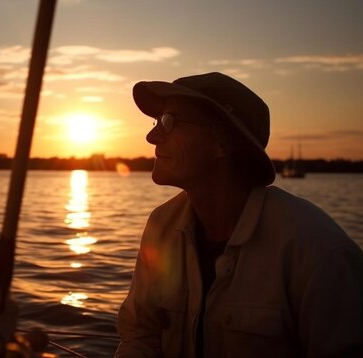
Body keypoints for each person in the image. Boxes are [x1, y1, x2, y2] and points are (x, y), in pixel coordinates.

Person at [115, 72, 363, 357]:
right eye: (157, 121)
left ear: (223, 143)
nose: (152, 135)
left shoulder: (317, 250)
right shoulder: (161, 226)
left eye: (170, 122)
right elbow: (141, 334)